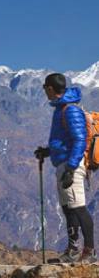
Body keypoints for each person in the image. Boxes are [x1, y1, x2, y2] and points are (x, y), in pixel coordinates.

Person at [34, 73, 96, 263]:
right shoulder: (61, 109)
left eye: (45, 88)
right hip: (64, 163)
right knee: (69, 208)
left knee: (78, 207)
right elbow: (65, 142)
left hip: (72, 165)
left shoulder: (70, 110)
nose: (45, 91)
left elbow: (79, 140)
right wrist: (48, 151)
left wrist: (70, 168)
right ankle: (72, 250)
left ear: (51, 89)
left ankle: (89, 251)